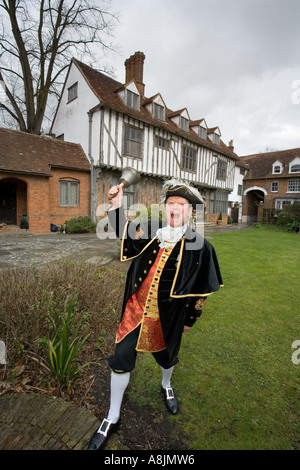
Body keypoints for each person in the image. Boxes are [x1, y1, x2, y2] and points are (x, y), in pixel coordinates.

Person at [88, 179, 223, 450]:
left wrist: (190, 320)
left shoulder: (201, 246)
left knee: (167, 358)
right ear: (165, 208)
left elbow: (202, 293)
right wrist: (116, 204)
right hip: (134, 310)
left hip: (168, 318)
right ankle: (112, 417)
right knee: (121, 358)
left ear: (190, 212)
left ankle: (166, 384)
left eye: (180, 205)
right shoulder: (152, 231)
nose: (174, 208)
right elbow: (122, 231)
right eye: (170, 203)